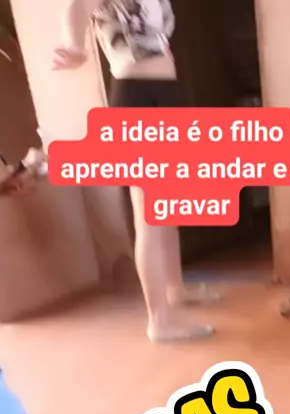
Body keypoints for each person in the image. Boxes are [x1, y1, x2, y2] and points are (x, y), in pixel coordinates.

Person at [53, 0, 217, 343]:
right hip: (136, 98)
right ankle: (160, 322)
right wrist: (75, 46)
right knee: (150, 217)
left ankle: (176, 290)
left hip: (165, 94)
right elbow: (78, 6)